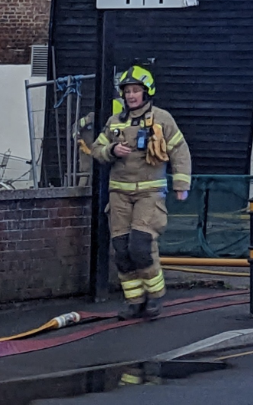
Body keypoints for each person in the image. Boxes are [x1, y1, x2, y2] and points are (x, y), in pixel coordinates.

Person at [91, 65, 191, 319]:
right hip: (119, 194)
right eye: (127, 91)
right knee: (121, 249)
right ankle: (134, 301)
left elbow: (180, 151)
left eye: (136, 91)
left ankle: (155, 297)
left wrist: (182, 185)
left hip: (150, 193)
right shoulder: (115, 122)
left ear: (146, 93)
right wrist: (112, 151)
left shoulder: (162, 119)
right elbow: (96, 149)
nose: (131, 95)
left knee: (141, 246)